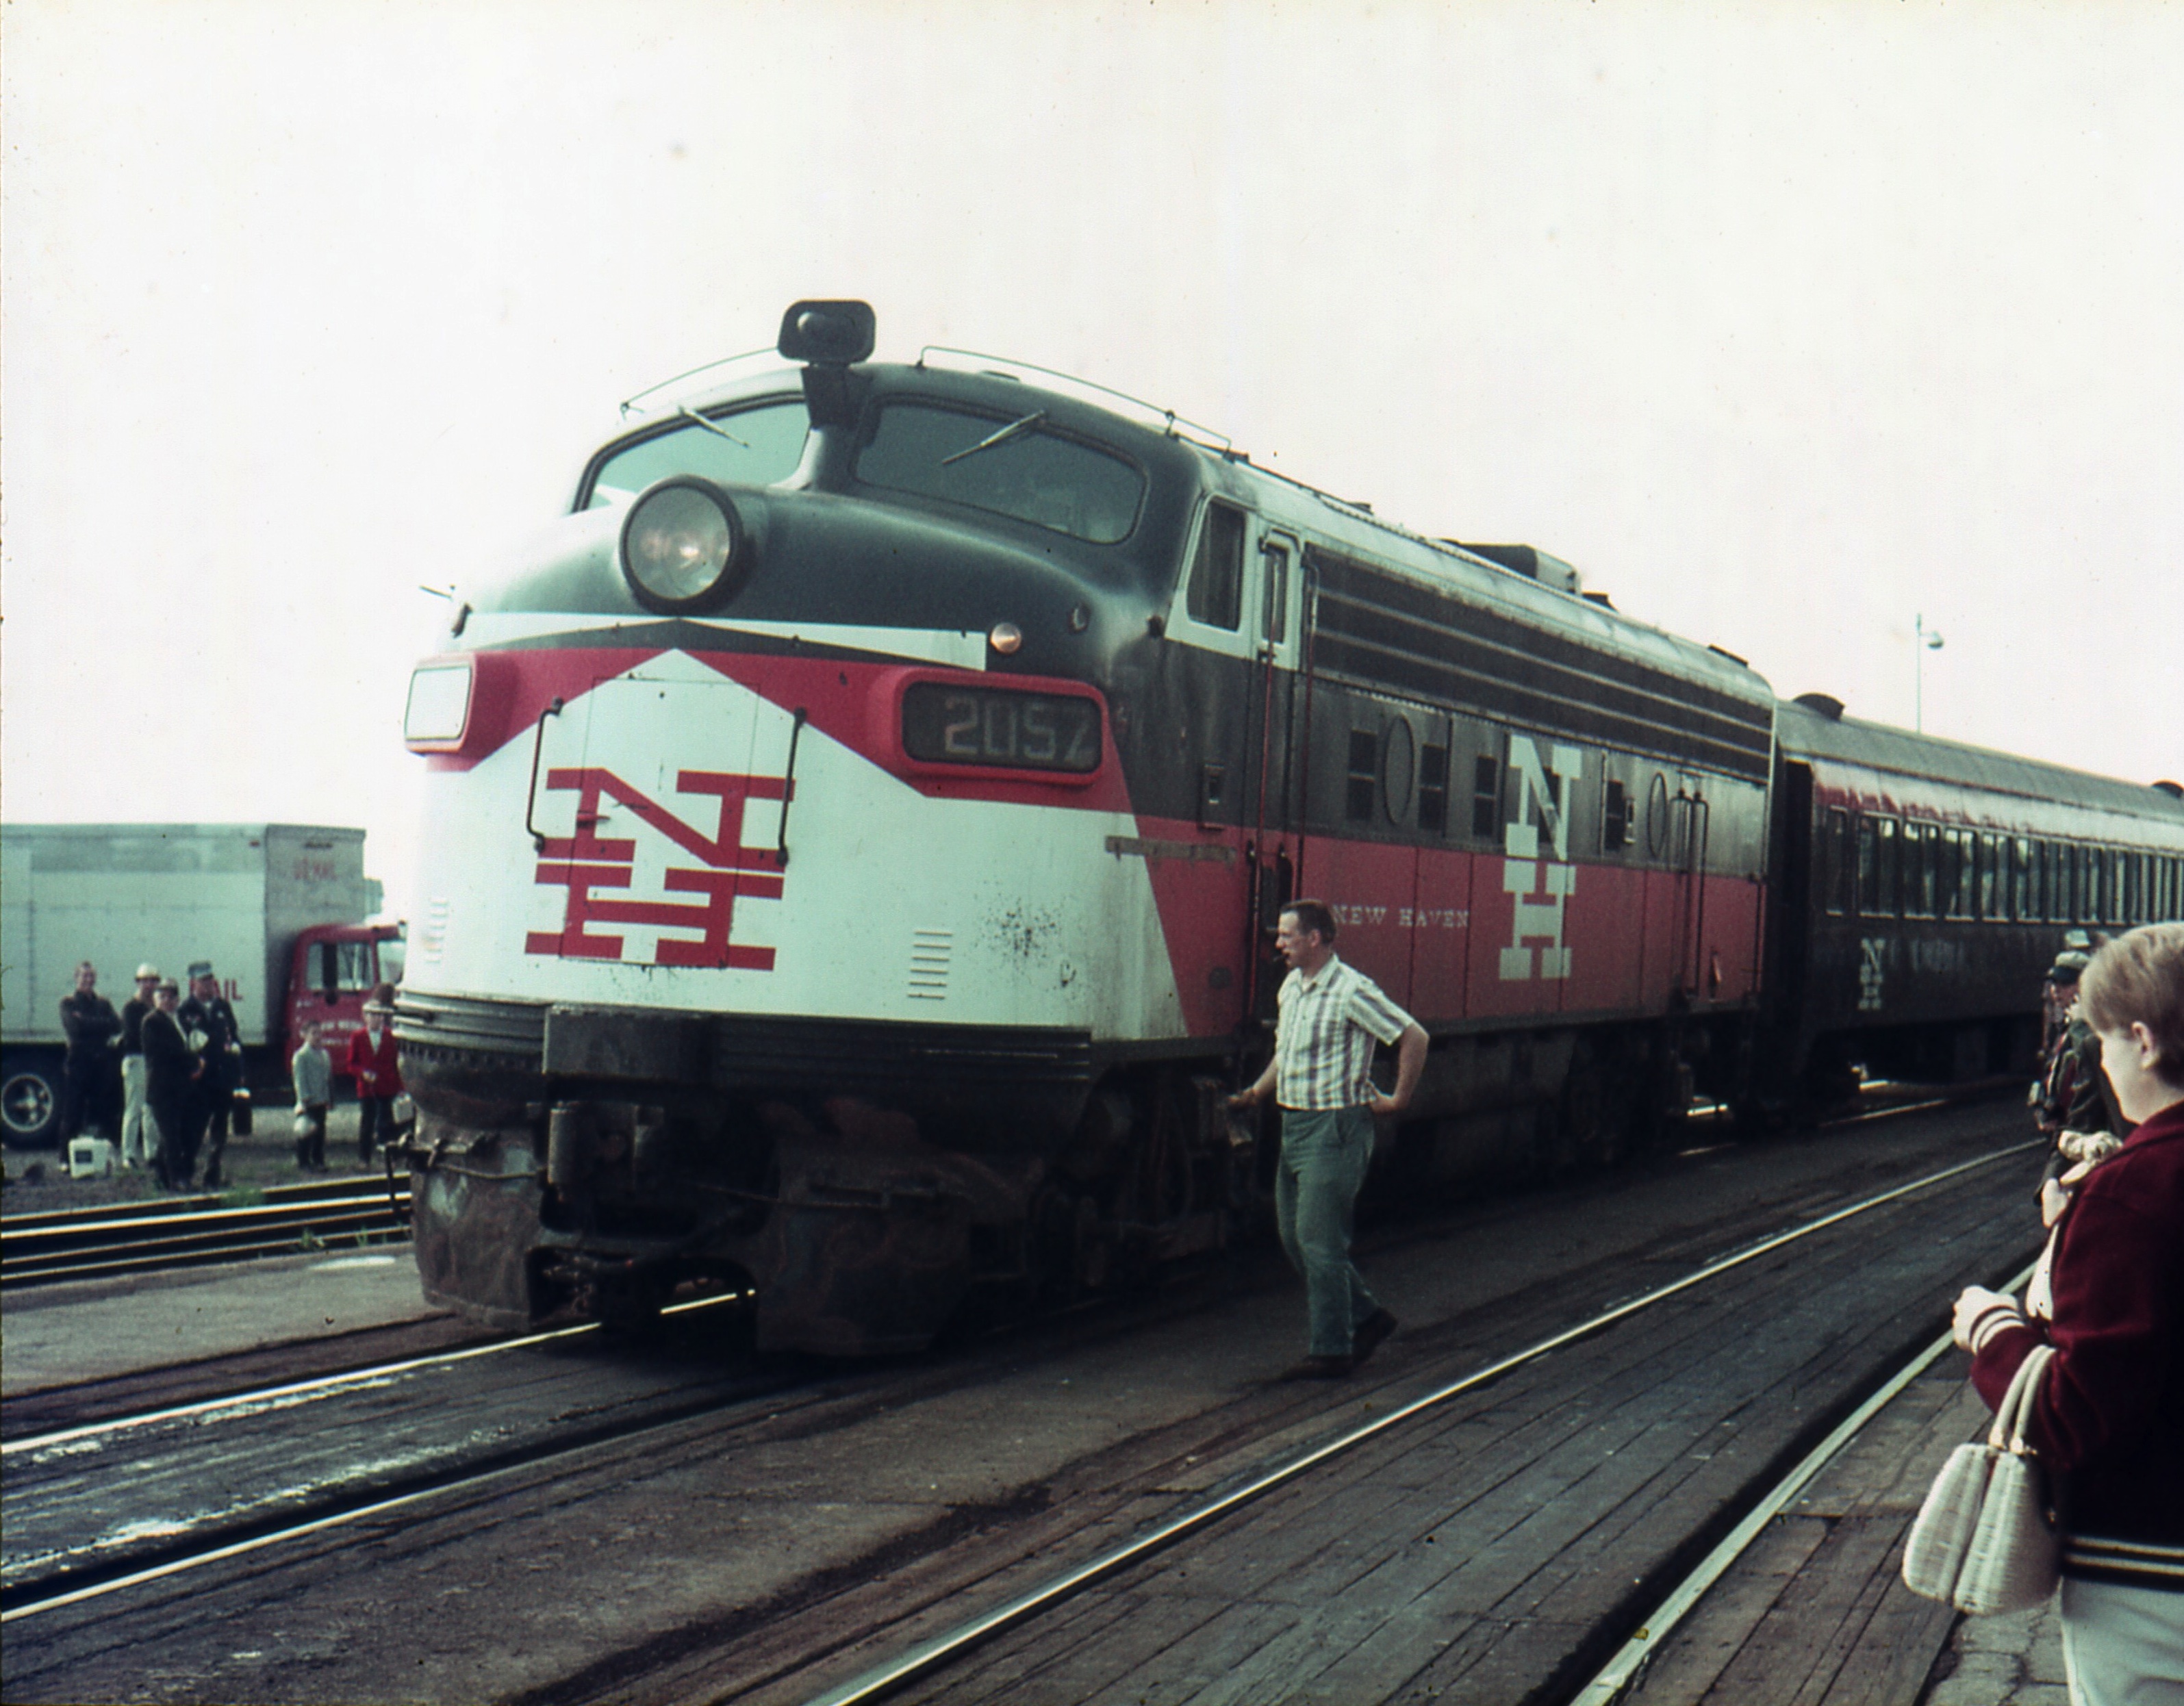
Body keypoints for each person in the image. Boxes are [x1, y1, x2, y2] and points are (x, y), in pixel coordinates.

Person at [1951, 921, 2184, 1701]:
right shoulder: (2129, 1179)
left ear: (2144, 1042)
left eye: (2103, 1038)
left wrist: (1993, 1330)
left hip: (2151, 1579)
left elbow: (2069, 1414)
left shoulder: (2134, 1190)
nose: (2100, 1058)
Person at [1229, 900, 1427, 1378]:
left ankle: (1332, 1350)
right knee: (1296, 1241)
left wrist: (1398, 1099)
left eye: (1286, 935)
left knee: (1319, 1241)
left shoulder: (1351, 991)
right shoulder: (1292, 989)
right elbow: (1286, 1054)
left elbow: (1414, 1036)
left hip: (1335, 1127)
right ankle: (1369, 1317)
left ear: (1314, 938)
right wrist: (1256, 1092)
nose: (1278, 944)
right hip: (1294, 1125)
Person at [179, 963, 244, 1189]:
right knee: (195, 1128)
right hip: (201, 1078)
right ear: (193, 983)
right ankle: (185, 1173)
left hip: (222, 1076)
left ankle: (212, 1174)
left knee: (220, 1129)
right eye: (203, 981)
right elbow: (192, 1042)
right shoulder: (186, 1010)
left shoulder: (222, 1007)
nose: (208, 985)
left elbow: (232, 1035)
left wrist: (237, 1064)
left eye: (210, 980)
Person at [140, 979, 203, 1190]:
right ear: (155, 999)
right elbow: (165, 1052)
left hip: (181, 1088)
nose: (166, 1001)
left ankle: (162, 1175)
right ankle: (178, 1178)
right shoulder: (151, 1022)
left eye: (171, 997)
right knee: (171, 1135)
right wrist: (193, 1060)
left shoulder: (180, 1021)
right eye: (162, 997)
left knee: (179, 1134)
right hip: (162, 1087)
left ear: (177, 1000)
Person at [58, 962, 123, 1143]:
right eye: (84, 976)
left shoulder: (103, 1003)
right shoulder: (68, 1003)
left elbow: (117, 1025)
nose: (88, 980)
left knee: (103, 1113)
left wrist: (87, 1022)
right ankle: (65, 1158)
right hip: (78, 1064)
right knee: (73, 1112)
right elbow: (75, 1029)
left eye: (91, 976)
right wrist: (101, 1024)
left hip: (101, 1064)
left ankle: (101, 1157)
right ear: (76, 978)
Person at [346, 984, 403, 1167]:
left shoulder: (391, 1036)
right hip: (367, 1087)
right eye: (372, 1015)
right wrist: (363, 1074)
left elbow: (397, 1063)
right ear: (365, 1017)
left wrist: (401, 1087)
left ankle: (391, 1158)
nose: (376, 1019)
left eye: (379, 1015)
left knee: (388, 1122)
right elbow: (351, 1064)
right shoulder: (358, 1036)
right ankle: (364, 1158)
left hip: (388, 1085)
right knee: (367, 1123)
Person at [115, 964, 162, 1171]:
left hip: (152, 1061)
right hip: (136, 1059)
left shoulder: (156, 1007)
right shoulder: (131, 1008)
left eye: (153, 980)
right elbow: (134, 1035)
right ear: (138, 982)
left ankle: (151, 1153)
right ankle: (129, 1154)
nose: (149, 985)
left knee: (150, 1108)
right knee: (134, 1108)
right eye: (145, 981)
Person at [291, 1025, 332, 1172]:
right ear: (305, 1035)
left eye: (319, 1033)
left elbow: (327, 1079)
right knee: (305, 1132)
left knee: (320, 1132)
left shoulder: (324, 1055)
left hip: (321, 1100)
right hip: (308, 1101)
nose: (317, 1037)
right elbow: (299, 1079)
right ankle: (303, 1161)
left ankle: (318, 1160)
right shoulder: (301, 1056)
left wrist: (328, 1098)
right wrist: (303, 1099)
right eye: (313, 1033)